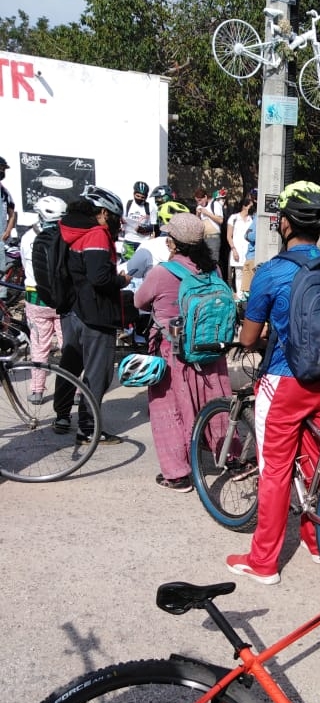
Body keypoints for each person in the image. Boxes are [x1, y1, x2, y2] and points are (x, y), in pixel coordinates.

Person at [225, 181, 320, 585]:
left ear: (285, 223)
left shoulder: (272, 271)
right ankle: (316, 543)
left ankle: (263, 562)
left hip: (284, 380)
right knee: (315, 465)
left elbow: (247, 339)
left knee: (275, 471)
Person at [134, 213, 233, 492]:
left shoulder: (161, 273)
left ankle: (178, 474)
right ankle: (230, 455)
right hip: (209, 349)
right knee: (214, 400)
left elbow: (139, 301)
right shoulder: (213, 270)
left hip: (173, 349)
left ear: (172, 243)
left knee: (170, 407)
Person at [53, 185, 131, 444]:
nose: (117, 223)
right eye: (114, 217)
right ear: (102, 213)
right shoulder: (96, 234)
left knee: (71, 364)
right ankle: (87, 428)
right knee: (98, 374)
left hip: (73, 311)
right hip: (95, 315)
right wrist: (120, 281)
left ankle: (62, 415)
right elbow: (99, 277)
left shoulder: (71, 230)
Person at [19, 196, 67, 400]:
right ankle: (72, 390)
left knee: (39, 345)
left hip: (35, 297)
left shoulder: (27, 237)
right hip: (62, 299)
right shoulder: (65, 236)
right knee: (70, 346)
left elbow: (24, 264)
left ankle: (37, 390)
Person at [226, 195, 256, 297]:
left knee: (248, 274)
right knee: (238, 274)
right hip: (237, 250)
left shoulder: (252, 219)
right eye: (251, 205)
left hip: (249, 252)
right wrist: (233, 249)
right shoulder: (233, 218)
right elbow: (229, 236)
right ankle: (239, 296)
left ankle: (246, 295)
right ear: (245, 206)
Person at [121, 181, 153, 260]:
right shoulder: (128, 204)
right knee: (126, 263)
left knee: (142, 265)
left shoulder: (150, 207)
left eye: (142, 197)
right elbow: (122, 218)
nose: (139, 199)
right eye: (137, 196)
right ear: (134, 194)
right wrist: (122, 222)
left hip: (144, 242)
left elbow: (155, 226)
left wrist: (144, 229)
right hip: (129, 241)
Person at [194, 187, 224, 266]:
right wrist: (197, 215)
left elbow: (220, 220)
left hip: (213, 238)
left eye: (200, 200)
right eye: (197, 201)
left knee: (213, 262)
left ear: (205, 197)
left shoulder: (215, 204)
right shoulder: (199, 207)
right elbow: (196, 224)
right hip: (203, 238)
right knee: (204, 262)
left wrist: (207, 213)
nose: (199, 203)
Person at [0, 155, 17, 298]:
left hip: (1, 239)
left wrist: (8, 230)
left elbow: (12, 213)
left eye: (3, 169)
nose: (2, 171)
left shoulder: (5, 192)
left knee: (1, 271)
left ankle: (2, 301)